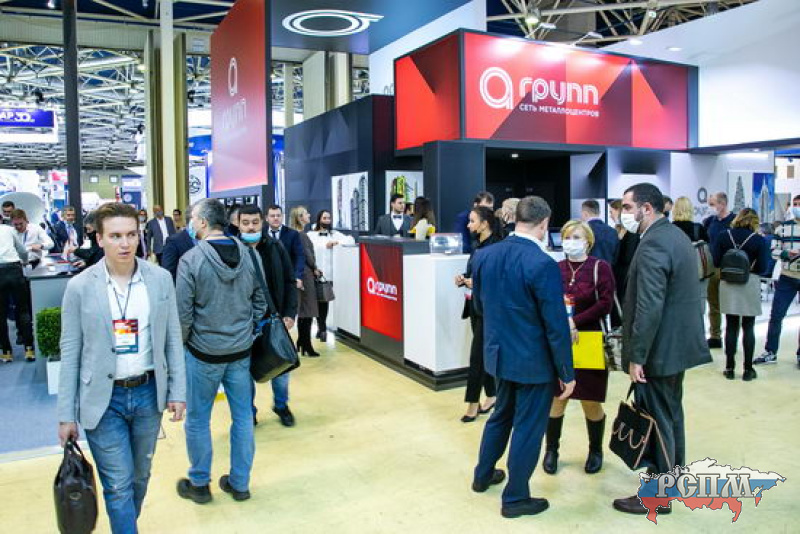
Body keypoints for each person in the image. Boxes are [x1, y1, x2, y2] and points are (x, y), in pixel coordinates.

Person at [56, 202, 186, 533]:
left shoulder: (160, 279)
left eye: (131, 234)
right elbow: (70, 351)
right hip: (103, 400)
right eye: (115, 236)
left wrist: (178, 391)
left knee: (139, 477)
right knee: (117, 484)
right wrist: (66, 414)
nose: (125, 244)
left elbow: (172, 339)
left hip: (147, 393)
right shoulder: (80, 287)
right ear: (99, 239)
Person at [471, 196, 575, 519]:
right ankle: (515, 498)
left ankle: (483, 475)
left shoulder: (484, 256)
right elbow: (556, 325)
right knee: (528, 428)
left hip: (499, 355)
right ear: (544, 223)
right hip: (533, 362)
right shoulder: (543, 264)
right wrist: (566, 372)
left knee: (500, 415)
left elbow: (479, 306)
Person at [612, 183, 712, 515]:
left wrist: (637, 356)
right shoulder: (674, 236)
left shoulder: (654, 243)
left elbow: (649, 306)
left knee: (657, 420)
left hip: (659, 349)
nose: (623, 213)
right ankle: (672, 479)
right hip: (674, 346)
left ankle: (659, 495)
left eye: (628, 207)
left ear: (647, 208)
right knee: (669, 415)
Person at [176, 199, 266, 504]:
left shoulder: (191, 260)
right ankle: (240, 484)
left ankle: (200, 484)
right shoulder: (250, 255)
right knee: (243, 417)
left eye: (192, 218)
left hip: (203, 354)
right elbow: (260, 300)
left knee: (198, 419)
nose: (191, 223)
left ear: (202, 222)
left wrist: (185, 343)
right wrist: (248, 331)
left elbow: (183, 313)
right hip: (240, 353)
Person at [543, 220, 615, 476]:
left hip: (589, 339)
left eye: (576, 237)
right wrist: (563, 324)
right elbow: (548, 301)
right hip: (559, 342)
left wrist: (575, 322)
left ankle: (595, 450)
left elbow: (605, 304)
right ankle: (551, 450)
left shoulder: (600, 268)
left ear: (588, 241)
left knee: (590, 399)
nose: (571, 241)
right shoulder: (555, 268)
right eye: (567, 237)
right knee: (557, 398)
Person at [238, 205, 299, 427]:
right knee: (244, 374)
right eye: (245, 223)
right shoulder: (233, 251)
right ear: (238, 224)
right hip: (244, 325)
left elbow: (289, 281)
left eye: (255, 222)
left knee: (281, 368)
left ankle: (281, 405)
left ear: (262, 222)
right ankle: (249, 411)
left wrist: (290, 313)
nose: (251, 227)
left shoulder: (275, 247)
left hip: (274, 319)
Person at [454, 206, 502, 423]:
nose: (468, 225)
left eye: (472, 221)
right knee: (482, 354)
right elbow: (472, 273)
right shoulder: (477, 246)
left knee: (477, 357)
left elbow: (499, 279)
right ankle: (492, 395)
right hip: (475, 306)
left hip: (489, 309)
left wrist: (478, 282)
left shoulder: (497, 248)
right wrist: (463, 279)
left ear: (485, 223)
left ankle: (472, 403)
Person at [712, 208, 769, 381]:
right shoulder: (759, 240)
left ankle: (729, 368)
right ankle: (748, 370)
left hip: (728, 284)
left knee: (731, 325)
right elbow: (763, 267)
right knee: (748, 327)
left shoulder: (723, 236)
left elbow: (716, 261)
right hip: (749, 283)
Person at [755, 194, 800, 366]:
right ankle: (770, 351)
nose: (796, 207)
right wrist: (786, 253)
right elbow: (773, 251)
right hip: (787, 277)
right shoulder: (782, 228)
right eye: (794, 204)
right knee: (776, 315)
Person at [307, 209, 355, 341]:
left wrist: (336, 243)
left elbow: (350, 239)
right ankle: (320, 327)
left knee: (324, 301)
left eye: (329, 218)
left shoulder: (334, 234)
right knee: (315, 302)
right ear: (319, 219)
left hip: (328, 275)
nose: (327, 221)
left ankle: (322, 328)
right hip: (313, 273)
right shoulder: (311, 235)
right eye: (325, 218)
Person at [704, 192, 736, 349]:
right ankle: (715, 335)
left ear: (722, 204)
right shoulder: (709, 222)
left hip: (729, 267)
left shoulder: (735, 221)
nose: (710, 207)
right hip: (713, 267)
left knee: (731, 305)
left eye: (712, 204)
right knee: (713, 303)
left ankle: (732, 335)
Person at [289, 206, 321, 357]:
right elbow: (307, 255)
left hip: (301, 274)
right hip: (306, 276)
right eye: (306, 213)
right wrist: (315, 268)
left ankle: (302, 341)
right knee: (308, 311)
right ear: (300, 218)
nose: (309, 215)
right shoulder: (301, 235)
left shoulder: (293, 234)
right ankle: (306, 344)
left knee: (303, 311)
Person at [0, 222, 32, 362]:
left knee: (1, 314)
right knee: (23, 310)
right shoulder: (9, 229)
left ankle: (6, 352)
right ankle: (29, 349)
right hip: (14, 269)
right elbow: (22, 250)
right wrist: (25, 261)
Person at [265, 205, 305, 289]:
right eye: (272, 216)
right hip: (266, 278)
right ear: (266, 218)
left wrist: (298, 276)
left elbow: (299, 256)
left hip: (287, 278)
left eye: (278, 215)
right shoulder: (261, 233)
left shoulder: (292, 234)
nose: (276, 218)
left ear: (282, 217)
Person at [580, 199, 619, 266]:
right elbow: (616, 258)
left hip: (587, 270)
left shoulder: (582, 231)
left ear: (585, 213)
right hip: (607, 270)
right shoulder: (613, 232)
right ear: (599, 212)